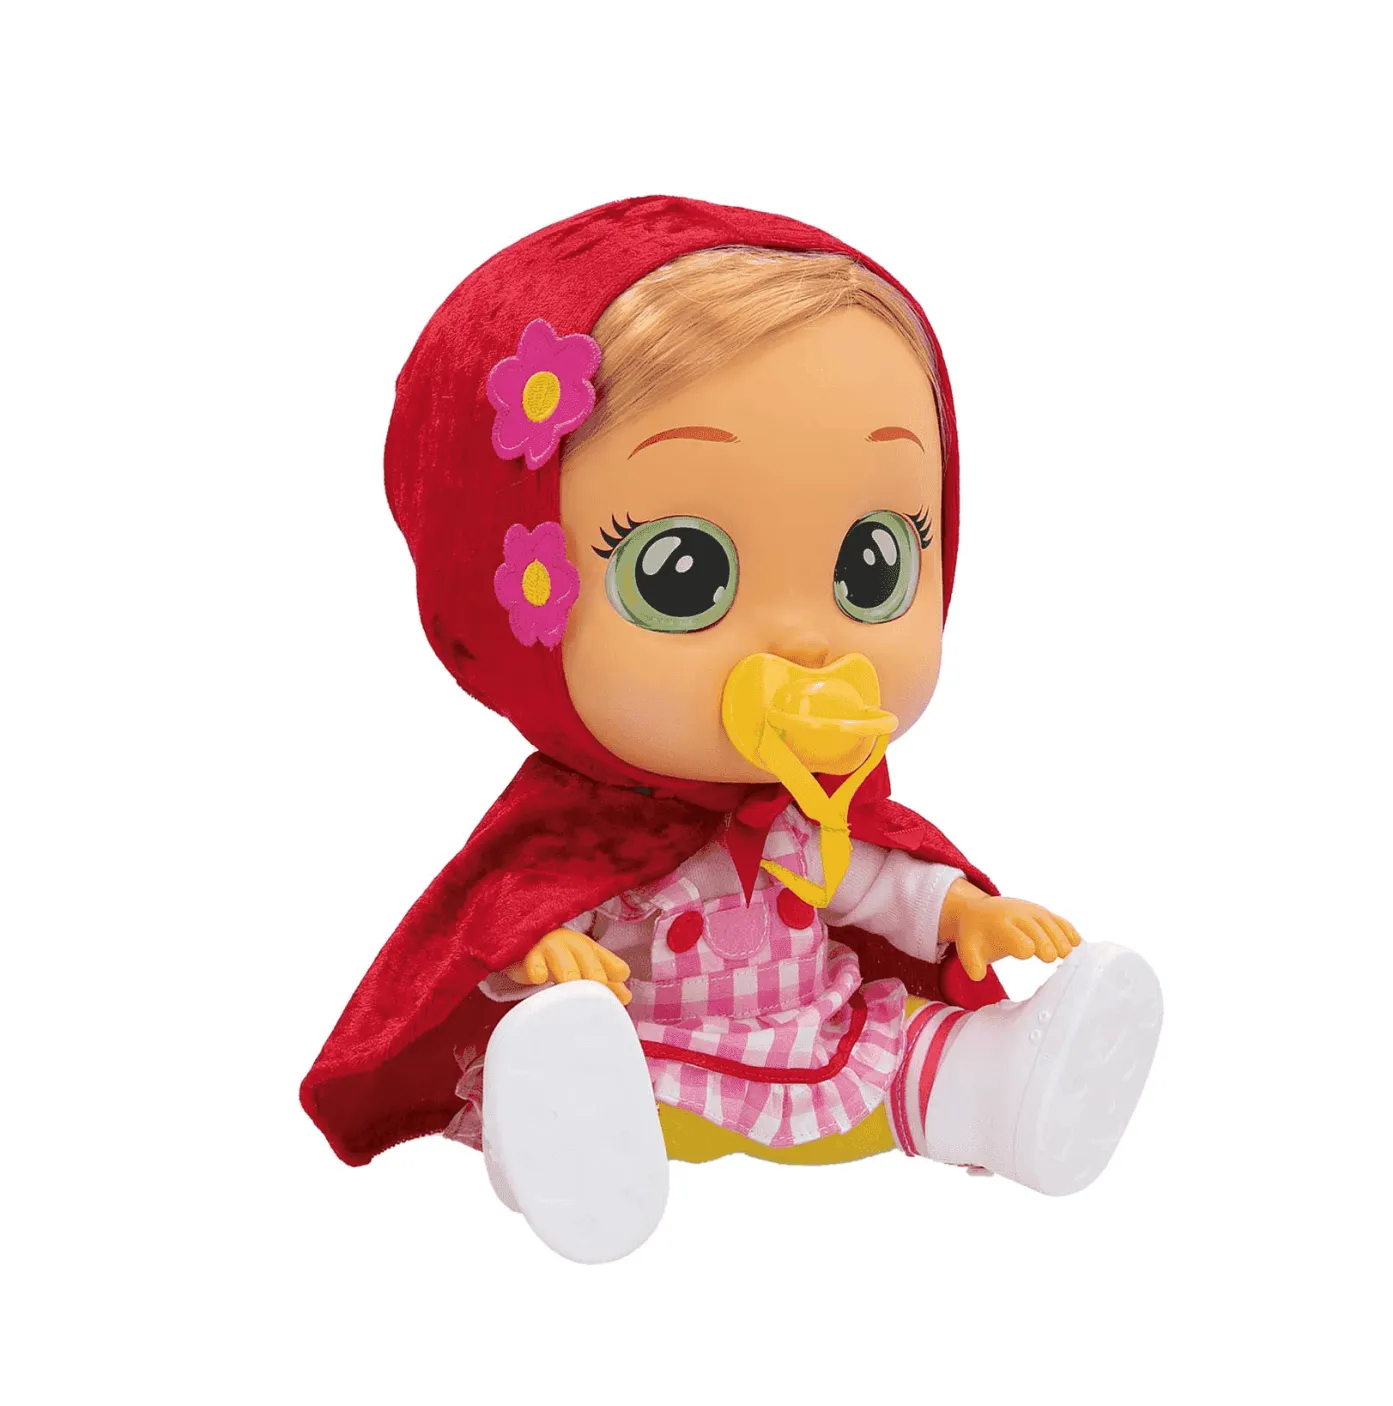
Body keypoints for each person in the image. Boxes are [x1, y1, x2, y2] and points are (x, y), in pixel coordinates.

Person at [301, 196, 1163, 1264]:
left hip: (814, 1029)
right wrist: (546, 948)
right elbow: (509, 913)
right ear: (510, 592)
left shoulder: (813, 817)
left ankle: (1005, 1092)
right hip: (652, 1052)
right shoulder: (571, 842)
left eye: (873, 563)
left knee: (907, 1052)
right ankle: (561, 1142)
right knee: (573, 1061)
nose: (808, 641)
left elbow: (873, 888)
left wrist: (963, 913)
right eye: (683, 574)